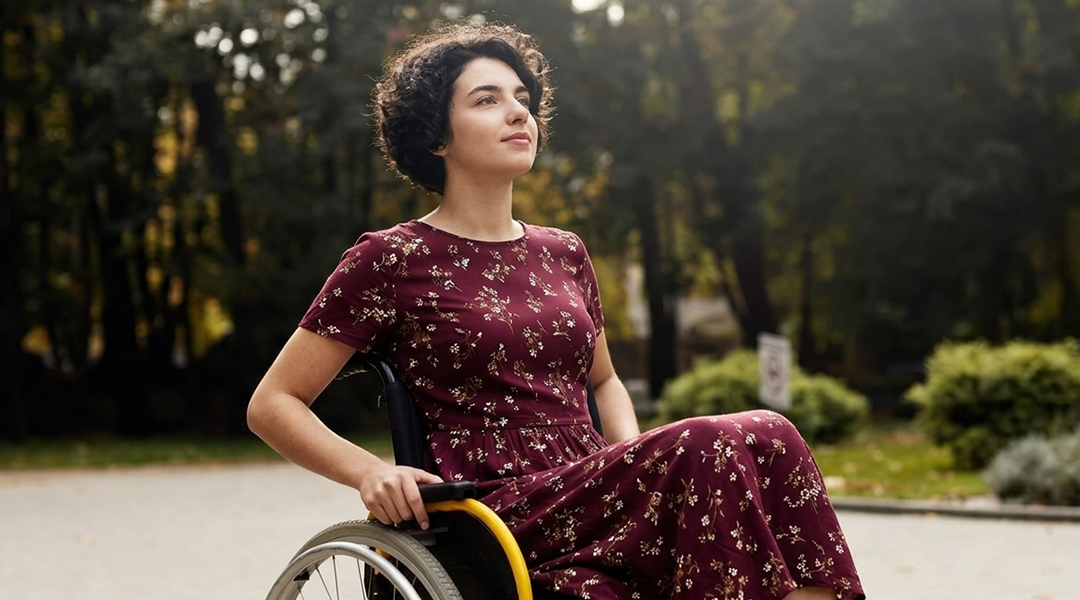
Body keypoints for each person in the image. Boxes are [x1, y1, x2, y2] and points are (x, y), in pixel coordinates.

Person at [248, 21, 865, 600]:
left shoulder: (563, 252)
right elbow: (272, 403)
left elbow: (603, 380)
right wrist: (367, 472)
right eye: (487, 100)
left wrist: (634, 456)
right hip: (496, 505)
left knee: (771, 431)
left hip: (591, 479)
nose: (518, 111)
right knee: (707, 441)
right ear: (437, 135)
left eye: (522, 97)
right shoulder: (392, 258)